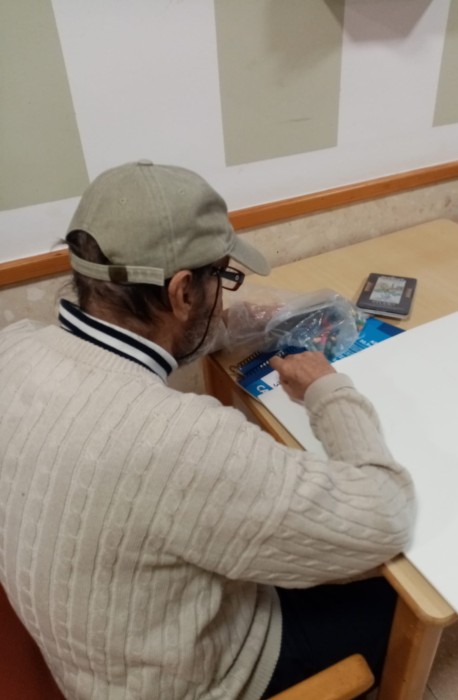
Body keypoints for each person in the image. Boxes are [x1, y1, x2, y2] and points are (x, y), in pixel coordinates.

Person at [0, 161, 415, 700]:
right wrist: (327, 390)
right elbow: (385, 515)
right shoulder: (185, 442)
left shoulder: (15, 347)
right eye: (221, 278)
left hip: (95, 657)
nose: (224, 293)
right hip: (197, 681)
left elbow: (126, 354)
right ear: (182, 293)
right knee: (399, 598)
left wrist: (242, 323)